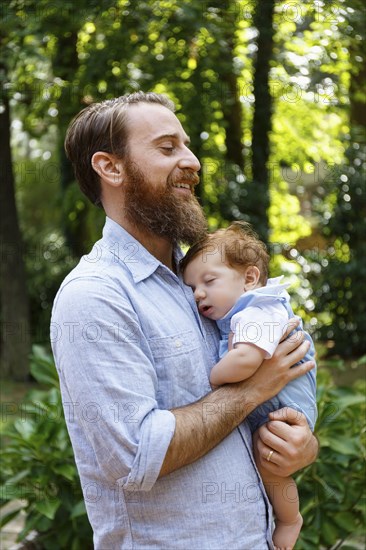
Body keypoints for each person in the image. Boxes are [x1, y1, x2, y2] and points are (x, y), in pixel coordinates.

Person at [51, 91, 318, 549]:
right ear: (110, 167)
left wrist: (299, 445)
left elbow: (269, 401)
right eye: (167, 147)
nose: (193, 161)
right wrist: (253, 389)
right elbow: (137, 455)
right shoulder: (95, 296)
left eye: (188, 145)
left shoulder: (205, 281)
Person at [181, 221, 317, 550]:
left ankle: (289, 519)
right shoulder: (240, 312)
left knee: (270, 462)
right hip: (278, 406)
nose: (198, 293)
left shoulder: (255, 310)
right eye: (192, 287)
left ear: (250, 278)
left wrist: (213, 376)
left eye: (209, 281)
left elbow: (246, 361)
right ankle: (287, 518)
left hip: (285, 408)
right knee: (268, 461)